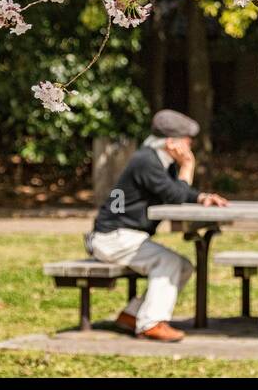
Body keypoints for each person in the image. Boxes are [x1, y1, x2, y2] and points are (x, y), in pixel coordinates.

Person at [86, 109, 228, 342]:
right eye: (187, 139)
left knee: (183, 266)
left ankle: (132, 316)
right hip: (112, 238)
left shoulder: (160, 161)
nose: (190, 143)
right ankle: (150, 324)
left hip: (127, 237)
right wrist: (188, 164)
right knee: (169, 261)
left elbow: (177, 192)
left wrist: (201, 197)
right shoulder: (146, 161)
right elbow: (175, 195)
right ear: (171, 142)